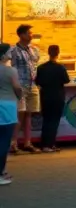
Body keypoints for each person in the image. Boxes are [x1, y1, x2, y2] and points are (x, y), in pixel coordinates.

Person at [10, 24, 40, 153]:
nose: (31, 35)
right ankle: (13, 143)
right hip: (20, 85)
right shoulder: (13, 51)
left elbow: (35, 64)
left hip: (32, 84)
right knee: (19, 114)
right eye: (29, 33)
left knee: (29, 114)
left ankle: (28, 142)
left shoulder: (33, 49)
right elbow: (10, 68)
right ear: (21, 35)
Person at [35, 44, 69, 153]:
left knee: (46, 121)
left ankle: (45, 144)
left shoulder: (41, 68)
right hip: (58, 96)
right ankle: (50, 144)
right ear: (58, 53)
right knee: (54, 121)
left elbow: (37, 81)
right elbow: (66, 80)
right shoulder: (60, 67)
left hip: (45, 96)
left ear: (48, 53)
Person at [0, 43, 23, 186]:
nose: (11, 53)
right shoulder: (10, 71)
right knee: (4, 141)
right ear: (3, 55)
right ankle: (0, 172)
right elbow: (17, 87)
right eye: (9, 52)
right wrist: (19, 97)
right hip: (7, 106)